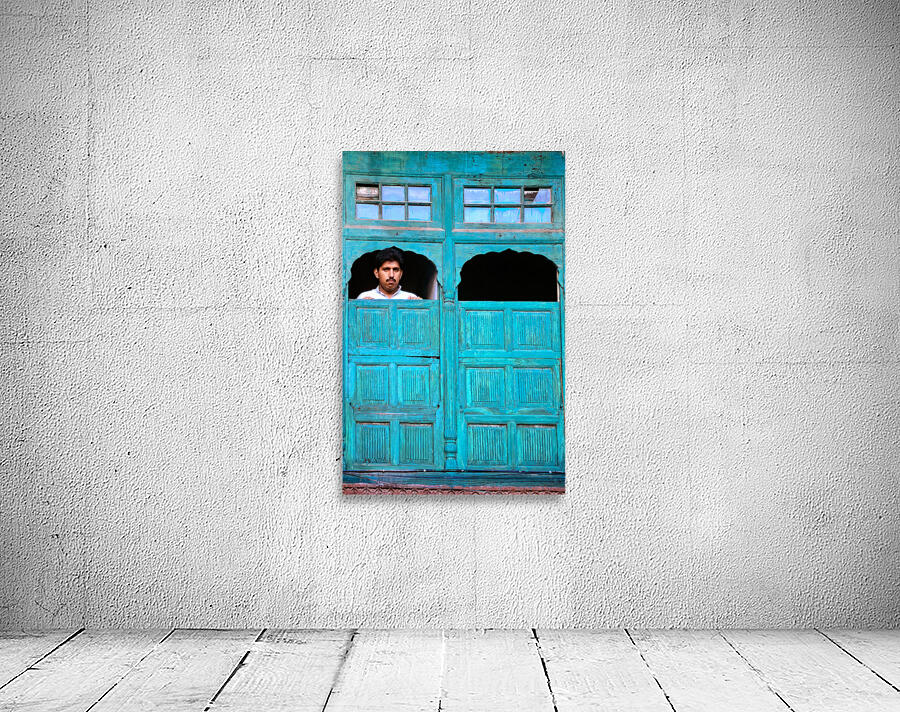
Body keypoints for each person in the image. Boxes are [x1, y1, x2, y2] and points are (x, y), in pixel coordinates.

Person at [356, 247, 421, 300]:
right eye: (386, 269)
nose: (391, 275)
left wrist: (419, 306)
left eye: (395, 270)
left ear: (401, 274)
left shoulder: (410, 298)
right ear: (376, 273)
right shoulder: (364, 298)